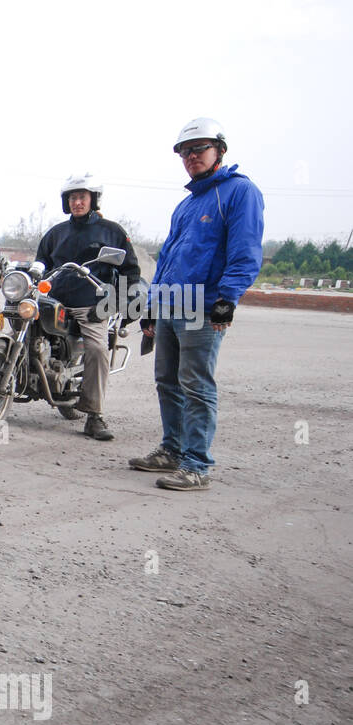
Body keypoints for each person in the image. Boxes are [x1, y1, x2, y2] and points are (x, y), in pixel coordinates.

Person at [128, 118, 264, 491]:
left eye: (199, 149)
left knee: (196, 385)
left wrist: (227, 300)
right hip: (173, 306)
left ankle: (197, 465)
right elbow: (169, 259)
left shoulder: (239, 192)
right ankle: (172, 450)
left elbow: (246, 252)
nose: (191, 157)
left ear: (219, 150)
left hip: (203, 308)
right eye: (185, 152)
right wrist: (152, 308)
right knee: (167, 382)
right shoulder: (187, 204)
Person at [34, 174, 141, 442]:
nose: (77, 202)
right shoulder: (56, 233)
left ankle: (94, 415)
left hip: (90, 305)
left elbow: (130, 271)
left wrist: (112, 303)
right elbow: (40, 265)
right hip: (54, 302)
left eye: (82, 197)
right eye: (72, 197)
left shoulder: (111, 231)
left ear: (92, 200)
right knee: (20, 322)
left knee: (96, 348)